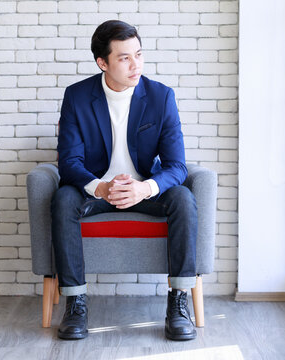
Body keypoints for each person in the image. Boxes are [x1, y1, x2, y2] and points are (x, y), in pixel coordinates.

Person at [51, 20, 198, 341]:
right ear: (102, 62)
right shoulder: (77, 97)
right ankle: (75, 303)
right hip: (95, 191)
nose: (136, 65)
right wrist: (100, 187)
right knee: (63, 198)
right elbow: (70, 162)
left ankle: (178, 302)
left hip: (145, 191)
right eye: (124, 58)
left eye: (139, 55)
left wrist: (145, 187)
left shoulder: (161, 97)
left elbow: (177, 166)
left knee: (183, 198)